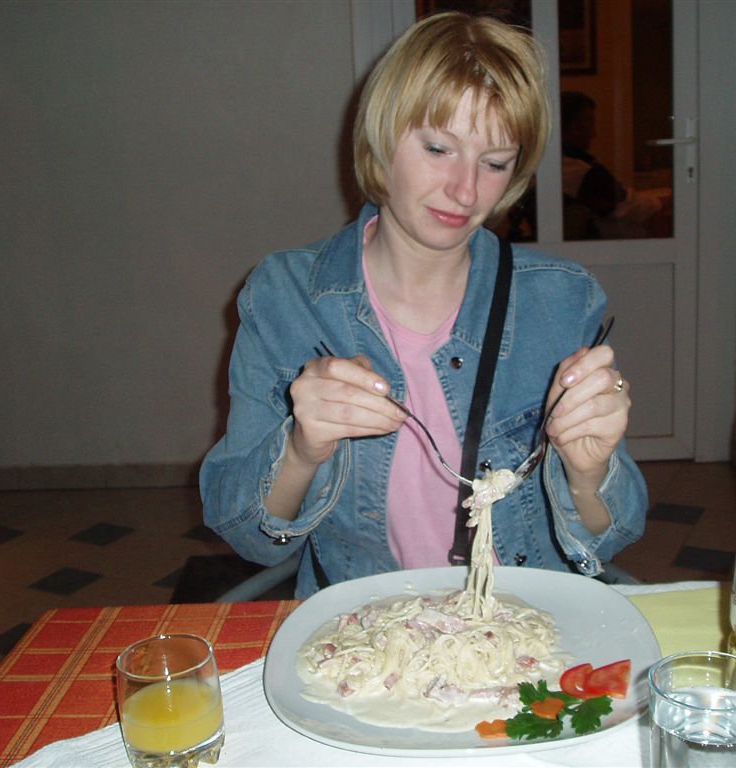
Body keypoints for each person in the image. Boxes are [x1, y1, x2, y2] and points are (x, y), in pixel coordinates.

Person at [200, 12, 648, 598]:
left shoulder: (561, 300)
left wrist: (589, 473)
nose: (466, 190)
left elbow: (610, 539)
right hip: (366, 623)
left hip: (523, 617)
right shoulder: (286, 296)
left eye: (495, 163)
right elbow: (250, 538)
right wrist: (301, 449)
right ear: (382, 137)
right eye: (438, 148)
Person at [560, 90, 665, 240]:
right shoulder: (578, 172)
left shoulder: (568, 165)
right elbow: (632, 208)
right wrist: (662, 203)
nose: (593, 133)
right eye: (588, 123)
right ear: (571, 126)